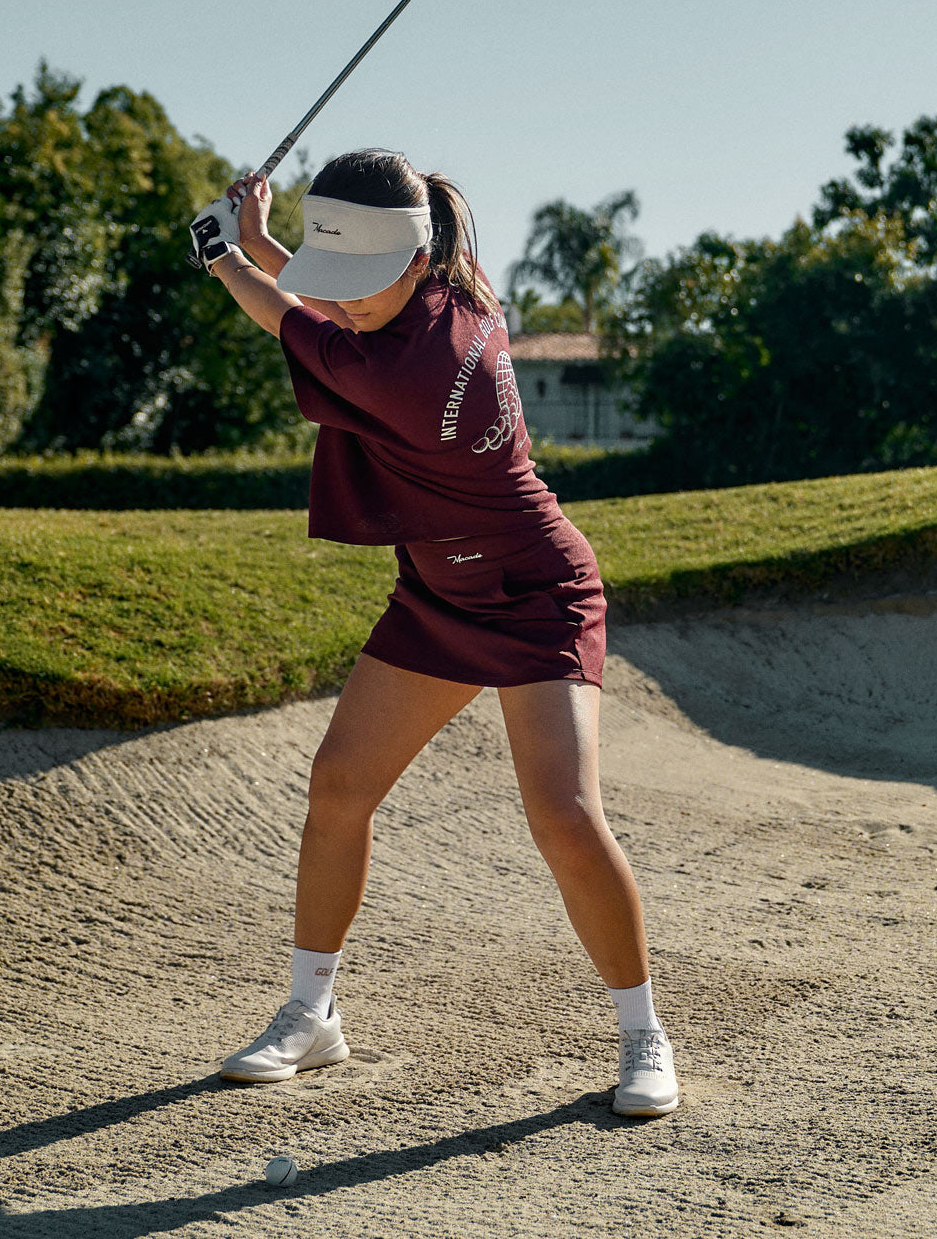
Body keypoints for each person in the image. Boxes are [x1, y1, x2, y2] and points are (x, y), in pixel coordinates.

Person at [190, 149, 678, 1117]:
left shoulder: (415, 363)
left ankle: (644, 1033)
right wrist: (261, 241)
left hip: (536, 593)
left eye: (362, 285)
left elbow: (295, 315)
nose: (348, 300)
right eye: (344, 283)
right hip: (438, 592)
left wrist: (225, 256)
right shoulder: (447, 293)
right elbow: (332, 302)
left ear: (413, 263)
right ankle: (311, 1013)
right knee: (340, 786)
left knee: (565, 817)